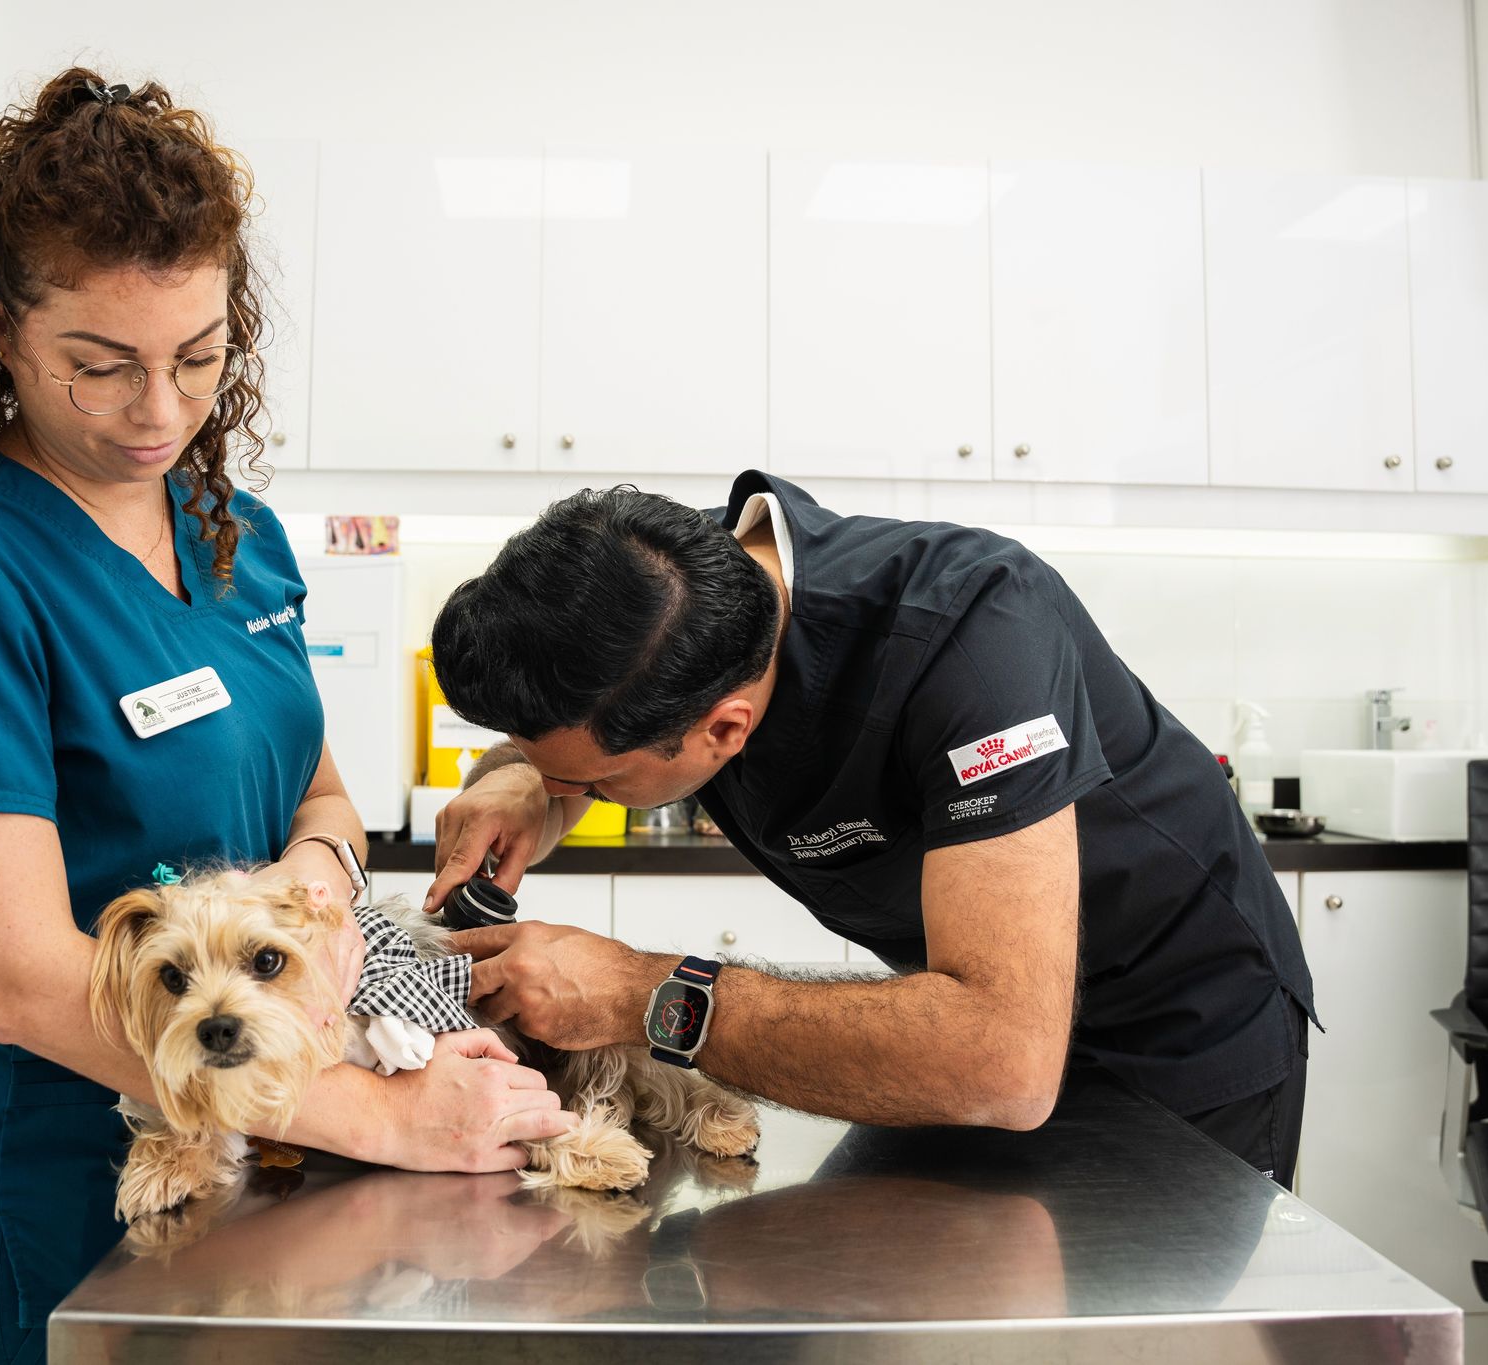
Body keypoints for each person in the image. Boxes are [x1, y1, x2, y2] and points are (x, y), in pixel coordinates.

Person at [0, 69, 571, 1365]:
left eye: (199, 356)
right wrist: (386, 1119)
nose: (162, 412)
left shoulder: (240, 539)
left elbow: (323, 797)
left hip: (255, 1175)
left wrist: (317, 881)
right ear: (0, 327)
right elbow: (13, 981)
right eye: (101, 366)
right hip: (51, 1195)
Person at [425, 471, 1316, 1183]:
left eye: (590, 782)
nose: (570, 790)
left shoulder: (974, 629)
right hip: (953, 1022)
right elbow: (588, 716)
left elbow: (1001, 1058)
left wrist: (639, 990)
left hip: (1174, 1024)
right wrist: (523, 779)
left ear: (723, 727)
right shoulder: (664, 593)